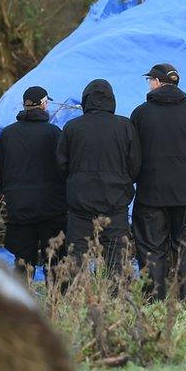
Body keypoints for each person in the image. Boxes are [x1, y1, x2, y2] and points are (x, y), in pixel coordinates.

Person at [131, 64, 186, 299]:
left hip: (151, 193)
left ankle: (154, 299)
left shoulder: (141, 113)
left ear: (156, 81)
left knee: (151, 248)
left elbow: (133, 155)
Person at [56, 79, 140, 274]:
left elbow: (61, 163)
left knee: (76, 256)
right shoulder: (124, 126)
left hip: (80, 204)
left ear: (86, 100)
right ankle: (117, 298)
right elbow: (135, 163)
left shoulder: (72, 127)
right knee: (117, 257)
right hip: (115, 202)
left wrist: (74, 182)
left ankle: (75, 298)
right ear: (112, 100)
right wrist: (124, 182)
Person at [0, 86, 68, 278]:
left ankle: (21, 302)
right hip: (51, 208)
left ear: (24, 105)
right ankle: (56, 303)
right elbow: (64, 169)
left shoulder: (8, 134)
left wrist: (11, 194)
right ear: (44, 104)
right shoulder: (54, 133)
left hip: (20, 208)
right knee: (55, 260)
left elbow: (1, 174)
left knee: (22, 261)